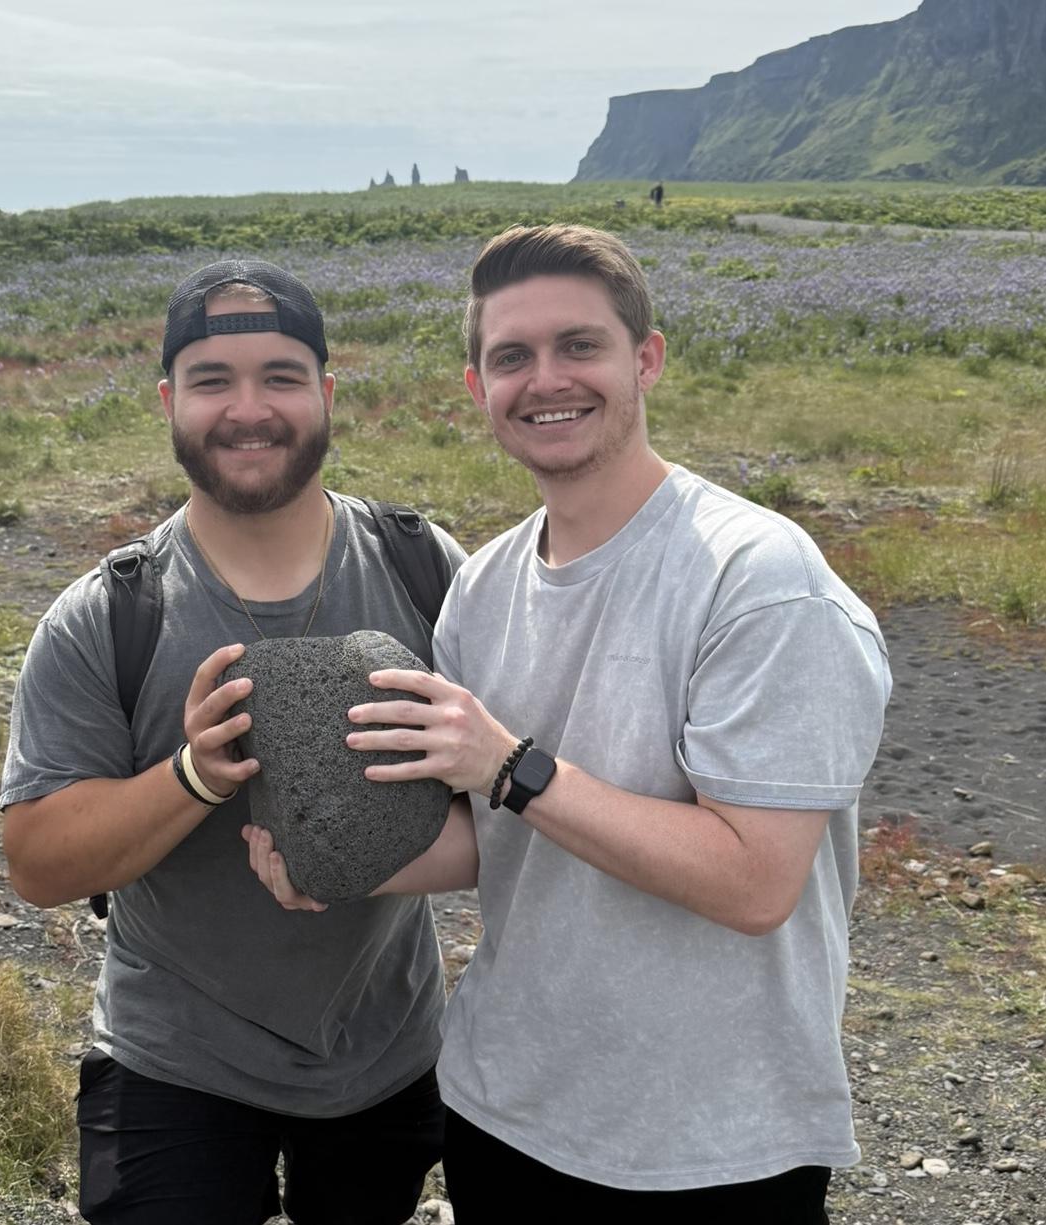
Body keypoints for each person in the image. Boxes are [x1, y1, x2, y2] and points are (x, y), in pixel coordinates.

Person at [246, 224, 892, 1223]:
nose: (545, 380)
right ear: (479, 388)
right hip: (505, 1111)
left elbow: (755, 880)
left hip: (712, 1142)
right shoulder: (482, 589)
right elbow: (493, 838)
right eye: (512, 357)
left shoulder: (758, 580)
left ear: (646, 360)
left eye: (579, 345)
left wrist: (510, 765)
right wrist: (335, 865)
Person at [0, 257, 466, 1225]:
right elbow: (38, 862)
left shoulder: (429, 572)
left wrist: (355, 859)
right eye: (212, 380)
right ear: (169, 400)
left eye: (280, 377)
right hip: (173, 1060)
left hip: (386, 1052)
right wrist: (192, 777)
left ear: (326, 392)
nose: (248, 410)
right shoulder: (107, 615)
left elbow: (511, 803)